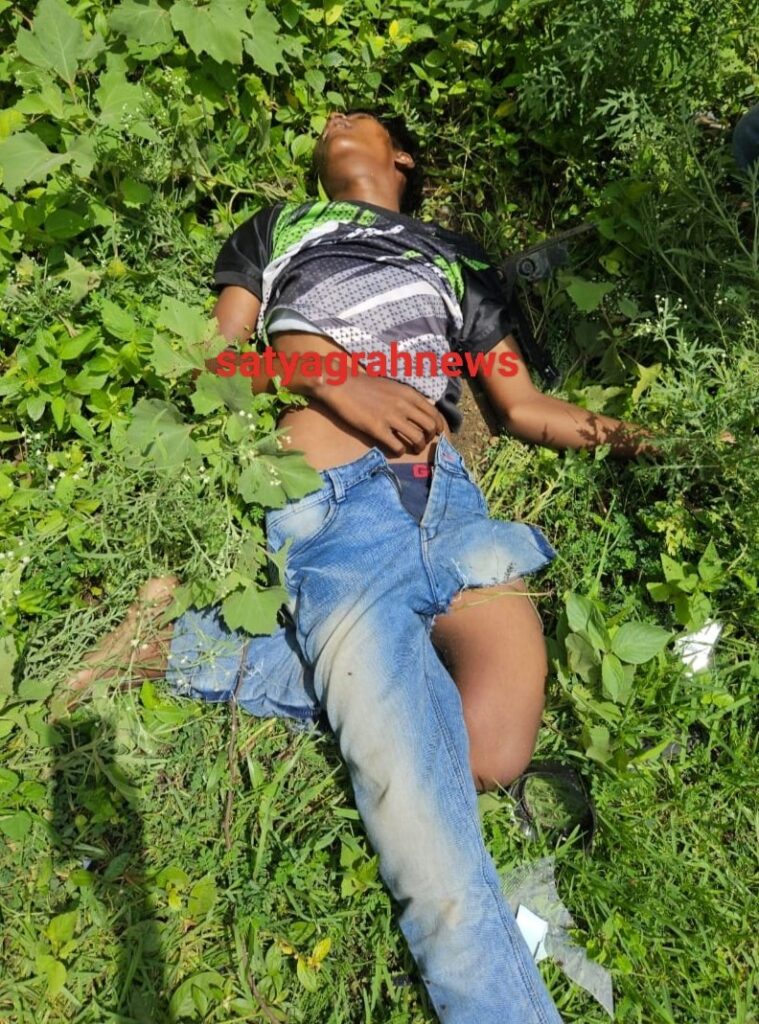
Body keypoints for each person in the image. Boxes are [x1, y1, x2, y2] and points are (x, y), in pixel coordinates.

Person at [65, 110, 652, 1024]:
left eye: (359, 116)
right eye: (326, 121)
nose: (334, 120)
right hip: (338, 507)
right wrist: (330, 376)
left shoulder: (454, 255)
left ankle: (178, 647)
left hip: (456, 515)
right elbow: (215, 363)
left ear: (402, 156)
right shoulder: (282, 228)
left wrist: (650, 438)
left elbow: (523, 407)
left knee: (493, 754)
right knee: (425, 837)